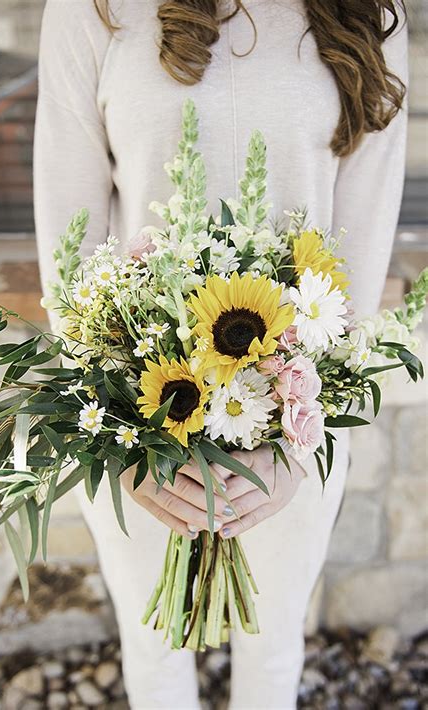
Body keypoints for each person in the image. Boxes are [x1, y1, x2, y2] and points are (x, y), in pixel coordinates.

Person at [33, 1, 408, 708]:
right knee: (153, 650)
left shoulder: (367, 11)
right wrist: (129, 447)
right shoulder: (94, 9)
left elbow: (356, 257)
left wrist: (295, 437)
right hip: (137, 425)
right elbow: (68, 248)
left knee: (274, 652)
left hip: (296, 425)